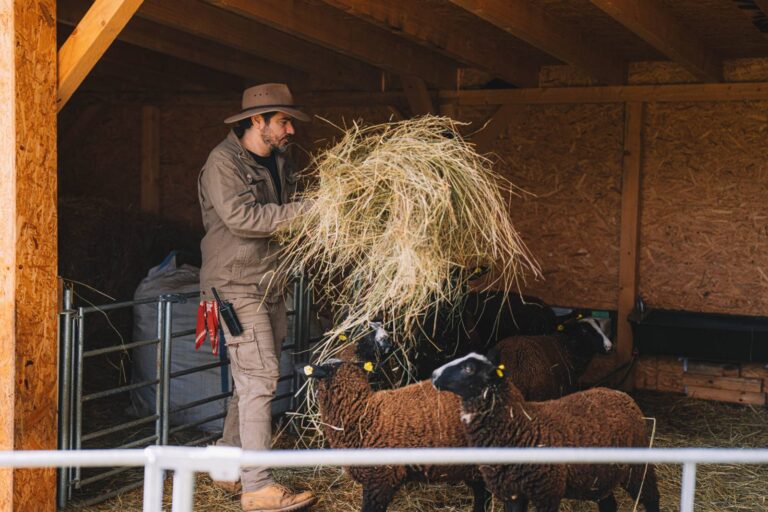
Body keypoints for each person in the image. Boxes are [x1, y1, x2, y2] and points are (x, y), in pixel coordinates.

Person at [198, 83, 315, 512]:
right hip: (233, 285)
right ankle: (258, 487)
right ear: (257, 121)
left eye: (290, 121)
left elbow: (292, 208)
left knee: (252, 379)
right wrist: (311, 212)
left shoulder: (281, 161)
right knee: (261, 377)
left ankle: (229, 467)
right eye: (283, 121)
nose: (291, 130)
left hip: (269, 283)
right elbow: (243, 219)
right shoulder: (222, 163)